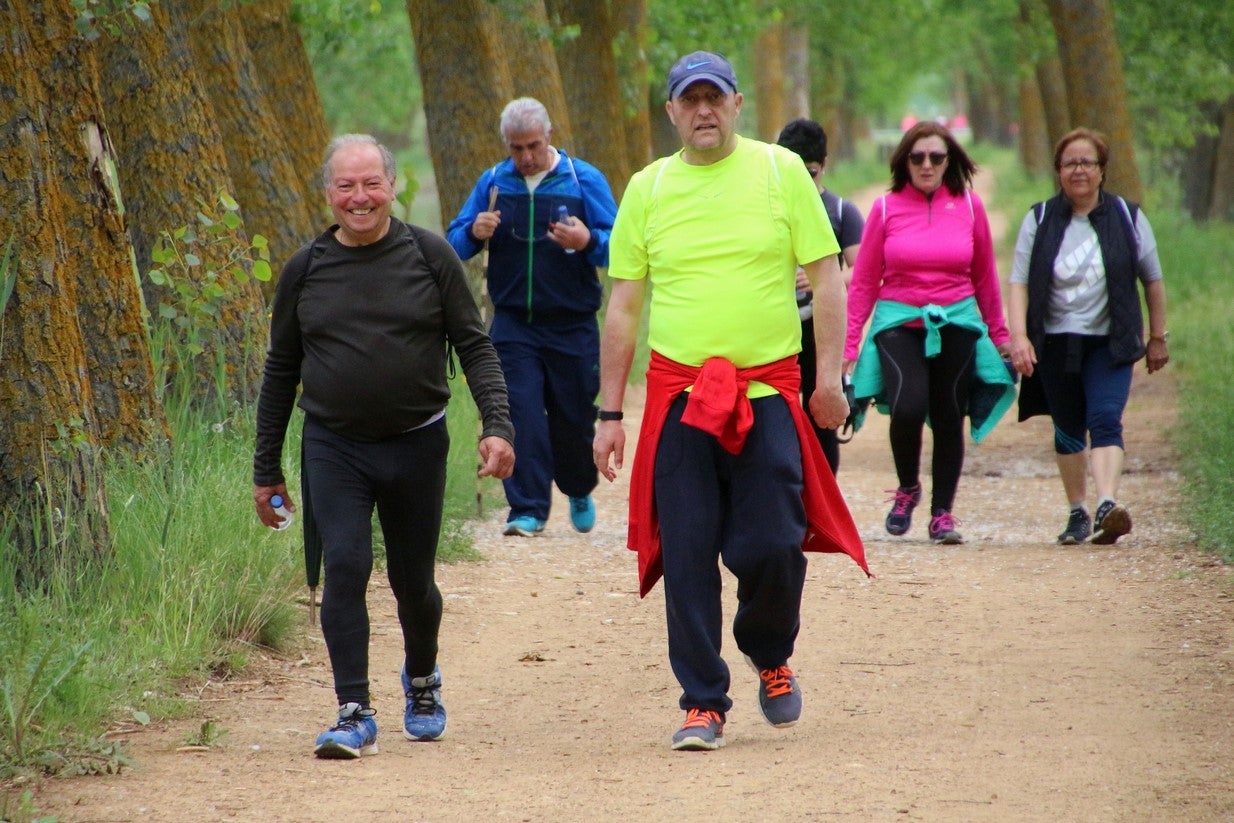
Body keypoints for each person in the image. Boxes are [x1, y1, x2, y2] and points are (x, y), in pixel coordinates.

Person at [593, 51, 868, 752]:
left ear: (738, 104)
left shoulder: (779, 172)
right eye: (691, 100)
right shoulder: (648, 188)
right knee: (686, 549)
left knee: (774, 540)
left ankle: (767, 648)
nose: (704, 110)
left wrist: (829, 378)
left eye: (715, 98)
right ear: (672, 112)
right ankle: (702, 701)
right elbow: (623, 308)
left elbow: (828, 277)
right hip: (680, 396)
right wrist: (610, 412)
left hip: (768, 390)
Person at [253, 134, 515, 759]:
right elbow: (280, 370)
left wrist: (497, 425)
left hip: (416, 443)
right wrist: (267, 469)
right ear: (328, 194)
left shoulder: (428, 256)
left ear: (393, 187)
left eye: (371, 183)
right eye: (346, 186)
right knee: (344, 564)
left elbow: (475, 346)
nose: (359, 197)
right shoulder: (305, 269)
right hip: (334, 446)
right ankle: (354, 711)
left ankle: (421, 681)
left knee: (412, 580)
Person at [447, 97, 619, 538]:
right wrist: (474, 231)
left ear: (550, 137)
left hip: (573, 322)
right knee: (518, 413)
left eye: (533, 146)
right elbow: (453, 245)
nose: (525, 157)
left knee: (573, 417)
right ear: (506, 144)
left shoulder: (582, 179)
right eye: (516, 148)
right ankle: (527, 509)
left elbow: (619, 246)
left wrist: (586, 240)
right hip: (513, 325)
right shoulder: (493, 182)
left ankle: (578, 486)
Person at [845, 121, 1015, 545]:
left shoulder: (969, 206)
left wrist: (1001, 335)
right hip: (898, 321)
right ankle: (907, 489)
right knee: (906, 407)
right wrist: (848, 345)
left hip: (956, 321)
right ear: (904, 160)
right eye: (917, 156)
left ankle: (942, 514)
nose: (926, 164)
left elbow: (985, 279)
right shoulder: (885, 210)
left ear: (948, 161)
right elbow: (865, 281)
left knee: (947, 415)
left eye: (936, 157)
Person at [1007, 127, 1169, 545]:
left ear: (1102, 171)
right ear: (1058, 171)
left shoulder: (1128, 217)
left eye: (1087, 163)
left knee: (1105, 419)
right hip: (1056, 341)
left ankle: (1106, 504)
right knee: (1067, 429)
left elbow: (1152, 280)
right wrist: (1019, 337)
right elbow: (1019, 282)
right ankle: (1077, 511)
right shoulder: (1039, 218)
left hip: (1110, 342)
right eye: (1069, 163)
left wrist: (1157, 336)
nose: (1078, 170)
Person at [776, 118, 865, 472]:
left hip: (819, 330)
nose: (802, 183)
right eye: (792, 172)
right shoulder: (766, 209)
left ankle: (824, 502)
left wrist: (822, 281)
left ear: (824, 166)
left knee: (821, 417)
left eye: (809, 173)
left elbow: (863, 270)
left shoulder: (842, 212)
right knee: (775, 418)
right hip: (775, 331)